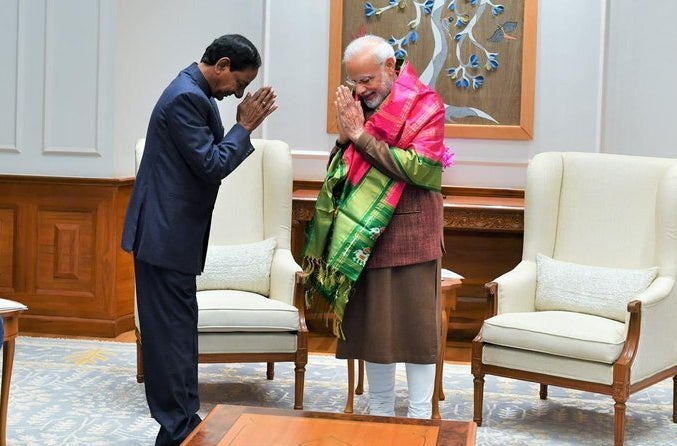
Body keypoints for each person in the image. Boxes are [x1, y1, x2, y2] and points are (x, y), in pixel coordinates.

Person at [121, 34, 277, 445]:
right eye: (239, 83)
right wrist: (244, 127)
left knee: (179, 335)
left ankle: (185, 425)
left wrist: (239, 127)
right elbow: (211, 164)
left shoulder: (197, 93)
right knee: (168, 340)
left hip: (172, 239)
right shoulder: (186, 98)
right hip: (163, 238)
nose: (239, 92)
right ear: (222, 65)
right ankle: (175, 430)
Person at [303, 34, 448, 419]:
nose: (360, 89)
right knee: (375, 331)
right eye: (354, 81)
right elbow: (341, 172)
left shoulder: (425, 104)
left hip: (412, 234)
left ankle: (420, 414)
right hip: (363, 235)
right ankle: (380, 411)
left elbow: (422, 169)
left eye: (366, 79)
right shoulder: (358, 110)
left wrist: (360, 136)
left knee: (417, 332)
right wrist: (342, 139)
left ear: (390, 67)